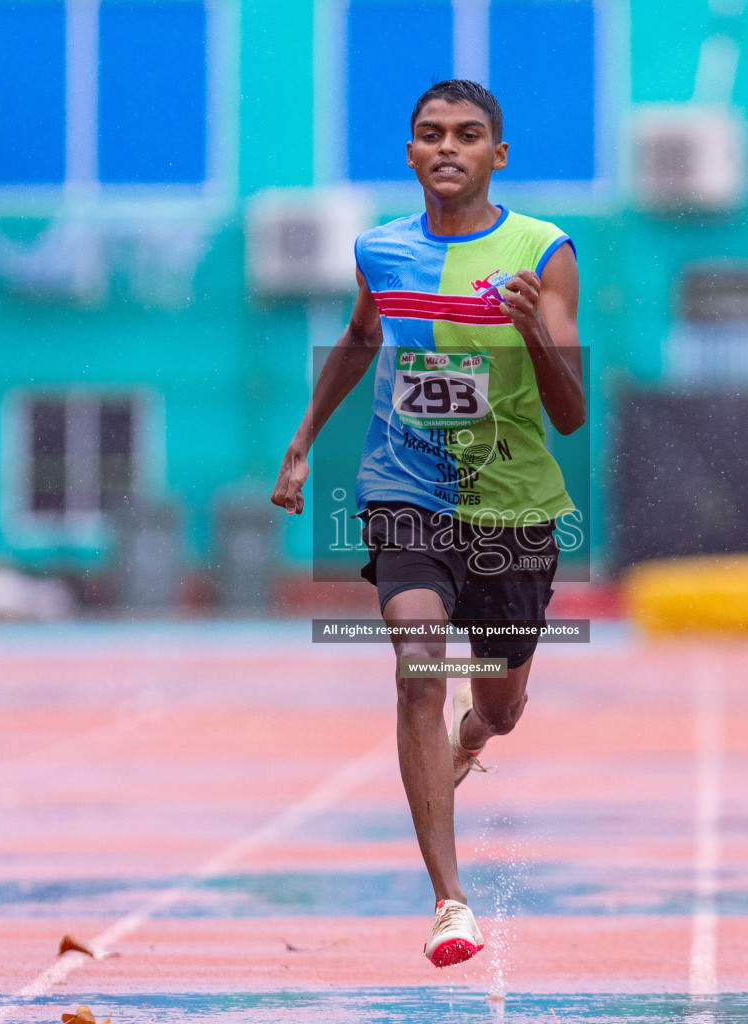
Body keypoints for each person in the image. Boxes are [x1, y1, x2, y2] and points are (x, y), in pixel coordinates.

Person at [271, 79, 583, 965]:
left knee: (501, 702)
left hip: (513, 508)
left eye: (469, 134)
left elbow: (569, 414)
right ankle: (451, 902)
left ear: (498, 154)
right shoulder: (380, 249)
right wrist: (301, 445)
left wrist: (531, 333)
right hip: (406, 493)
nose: (448, 147)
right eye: (430, 134)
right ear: (410, 153)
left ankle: (474, 737)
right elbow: (364, 337)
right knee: (419, 661)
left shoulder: (543, 252)